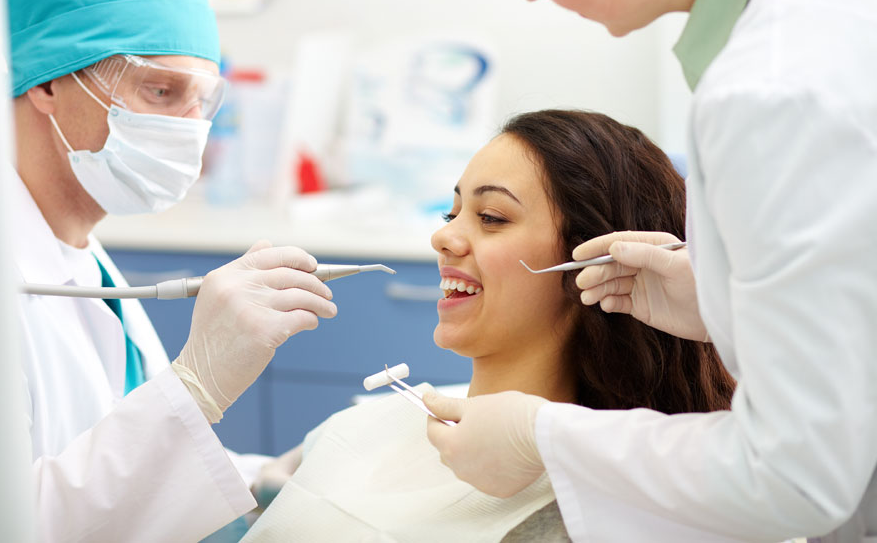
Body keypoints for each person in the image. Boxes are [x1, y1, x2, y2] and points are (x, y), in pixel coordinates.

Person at [423, 0, 877, 541]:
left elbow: (796, 477)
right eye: (452, 210)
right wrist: (726, 302)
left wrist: (542, 434)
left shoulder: (769, 89)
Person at [0, 0, 336, 543]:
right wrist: (195, 386)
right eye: (161, 92)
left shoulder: (76, 252)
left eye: (203, 101)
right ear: (47, 82)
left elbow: (111, 455)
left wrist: (260, 480)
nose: (189, 130)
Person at [239, 109, 737, 542]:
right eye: (451, 211)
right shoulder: (355, 427)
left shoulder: (586, 512)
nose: (444, 236)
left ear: (596, 261)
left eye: (492, 217)